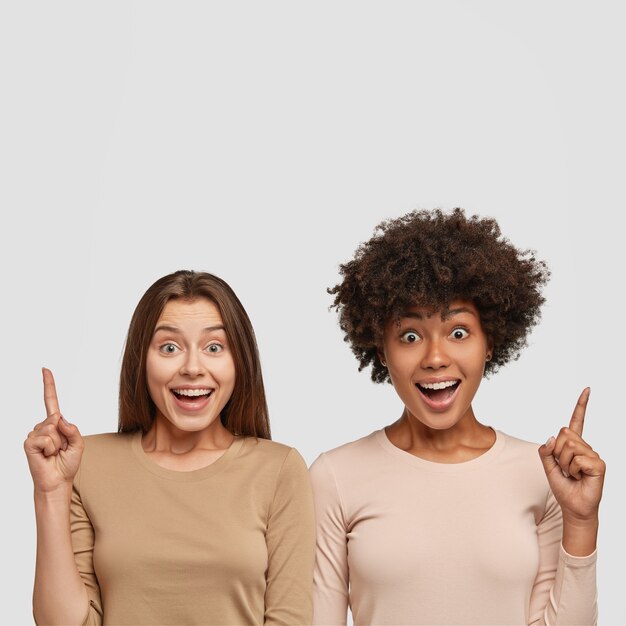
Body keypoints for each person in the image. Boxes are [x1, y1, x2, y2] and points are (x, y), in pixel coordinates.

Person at [310, 209, 605, 626]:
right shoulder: (335, 476)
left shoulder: (543, 473)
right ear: (381, 350)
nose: (435, 357)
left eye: (459, 332)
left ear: (490, 342)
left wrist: (581, 520)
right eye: (410, 336)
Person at [25, 270, 315, 626]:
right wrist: (50, 494)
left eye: (214, 347)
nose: (192, 368)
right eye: (169, 347)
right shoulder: (87, 462)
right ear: (141, 360)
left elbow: (291, 619)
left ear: (239, 361)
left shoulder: (278, 468)